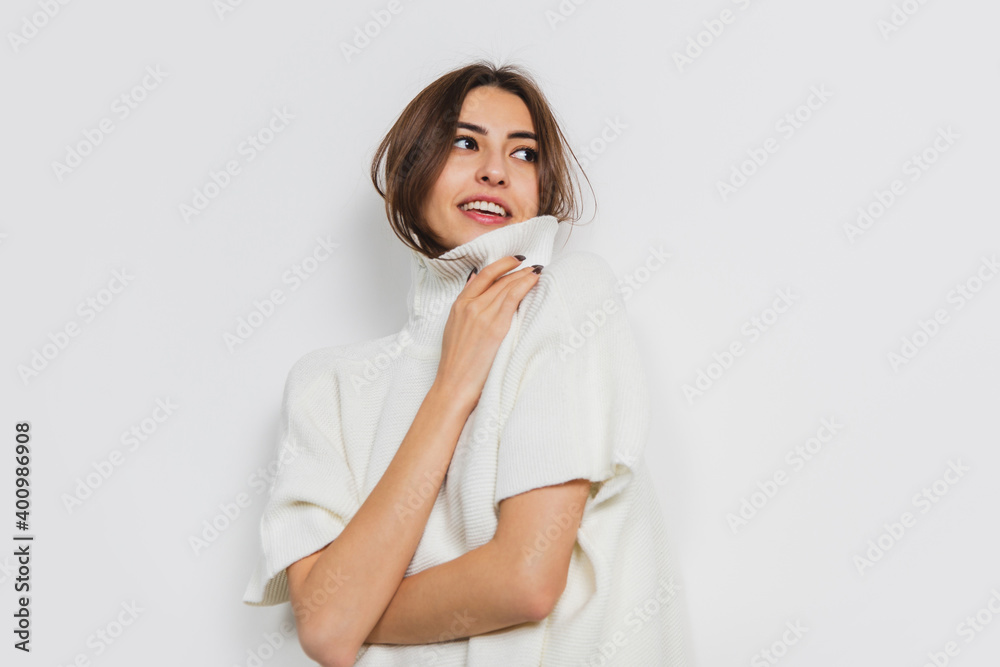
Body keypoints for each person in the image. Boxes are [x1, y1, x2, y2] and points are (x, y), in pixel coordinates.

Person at [242, 60, 689, 667]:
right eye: (464, 141)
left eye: (524, 153)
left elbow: (526, 581)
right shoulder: (326, 385)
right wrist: (452, 386)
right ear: (411, 169)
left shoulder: (566, 299)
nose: (496, 171)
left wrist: (350, 610)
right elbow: (326, 632)